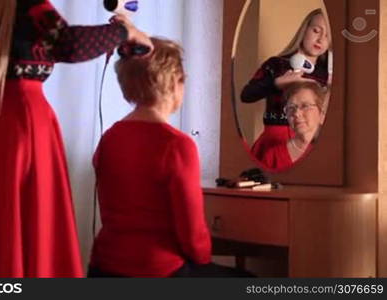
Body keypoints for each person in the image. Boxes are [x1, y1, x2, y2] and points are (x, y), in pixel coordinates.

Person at [0, 0, 152, 278]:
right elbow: (68, 44)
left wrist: (114, 32)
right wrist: (125, 32)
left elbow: (56, 40)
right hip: (22, 125)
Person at [88, 37, 251, 277]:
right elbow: (193, 234)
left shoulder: (109, 138)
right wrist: (203, 260)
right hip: (156, 270)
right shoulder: (177, 145)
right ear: (175, 83)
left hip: (103, 267)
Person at [240, 8, 331, 162]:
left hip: (311, 144)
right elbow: (246, 95)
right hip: (273, 141)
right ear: (305, 30)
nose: (321, 39)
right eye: (316, 31)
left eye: (328, 36)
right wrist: (276, 83)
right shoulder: (276, 65)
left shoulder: (327, 75)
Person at [261, 81, 327, 172]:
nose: (296, 114)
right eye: (291, 108)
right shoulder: (272, 156)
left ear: (322, 114)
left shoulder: (332, 152)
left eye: (305, 106)